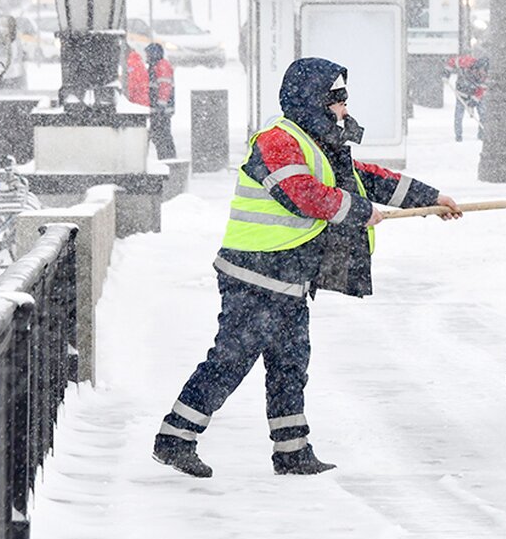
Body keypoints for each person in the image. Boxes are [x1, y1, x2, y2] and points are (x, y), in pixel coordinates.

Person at [152, 57, 463, 478]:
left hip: (288, 277)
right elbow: (301, 194)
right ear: (314, 100)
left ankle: (292, 450)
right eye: (338, 101)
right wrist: (357, 211)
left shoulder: (319, 145)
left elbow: (369, 178)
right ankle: (174, 438)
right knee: (231, 359)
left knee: (290, 362)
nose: (344, 110)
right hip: (253, 276)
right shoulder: (276, 141)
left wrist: (431, 200)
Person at [446, 54, 488, 142]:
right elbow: (452, 61)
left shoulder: (485, 77)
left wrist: (474, 101)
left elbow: (482, 90)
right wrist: (446, 73)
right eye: (482, 70)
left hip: (475, 94)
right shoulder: (466, 62)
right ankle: (458, 136)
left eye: (485, 71)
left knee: (483, 113)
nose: (483, 73)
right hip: (461, 93)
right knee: (458, 115)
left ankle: (482, 135)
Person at [146, 42, 176, 160]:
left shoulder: (161, 66)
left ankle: (167, 161)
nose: (147, 56)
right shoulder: (156, 66)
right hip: (159, 110)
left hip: (161, 110)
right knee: (161, 136)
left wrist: (160, 106)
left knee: (162, 137)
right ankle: (166, 159)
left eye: (148, 54)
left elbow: (164, 86)